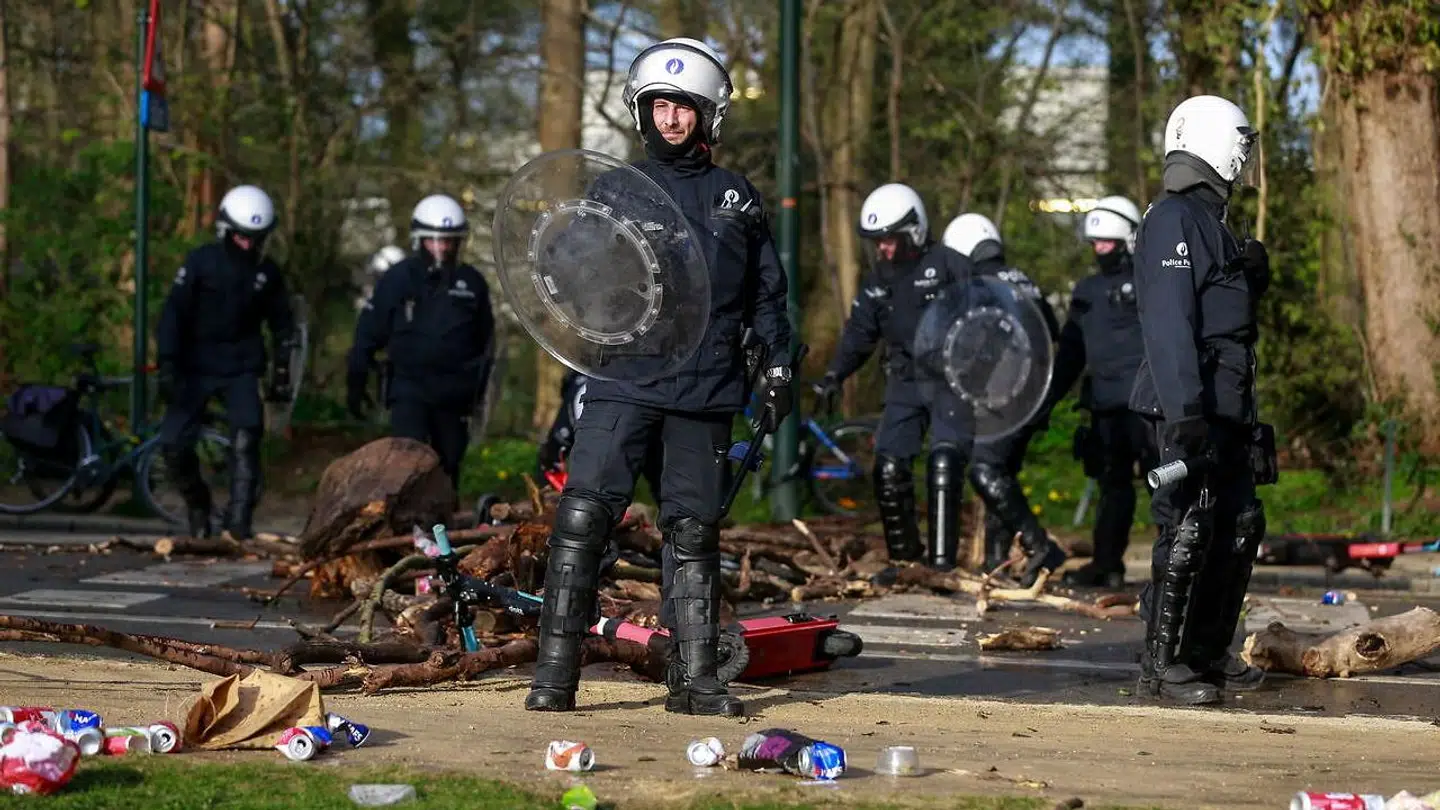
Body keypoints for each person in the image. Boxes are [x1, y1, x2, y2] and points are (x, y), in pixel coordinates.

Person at [524, 37, 793, 717]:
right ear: (642, 113)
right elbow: (581, 280)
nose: (672, 119)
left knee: (693, 531)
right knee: (583, 516)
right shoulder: (614, 188)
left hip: (705, 387)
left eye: (686, 107)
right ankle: (554, 678)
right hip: (625, 377)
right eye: (661, 106)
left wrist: (780, 359)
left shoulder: (737, 197)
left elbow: (767, 298)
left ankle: (697, 681)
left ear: (710, 115)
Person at [1130, 94, 1276, 705]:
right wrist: (1186, 413)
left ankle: (1207, 650)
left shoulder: (1214, 222)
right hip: (1187, 406)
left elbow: (1223, 319)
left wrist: (1250, 278)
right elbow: (1169, 325)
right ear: (1212, 140)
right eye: (1239, 140)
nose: (1245, 154)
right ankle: (1160, 667)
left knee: (1240, 524)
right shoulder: (1172, 220)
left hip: (1228, 404)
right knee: (1188, 525)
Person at [816, 184, 975, 571]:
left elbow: (984, 316)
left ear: (914, 231)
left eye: (892, 240)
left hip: (951, 381)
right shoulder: (877, 282)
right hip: (904, 379)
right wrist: (834, 374)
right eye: (878, 242)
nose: (885, 249)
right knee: (888, 468)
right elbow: (859, 334)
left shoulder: (950, 265)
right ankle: (906, 561)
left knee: (944, 462)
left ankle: (942, 565)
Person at [156, 185, 297, 541]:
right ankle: (198, 504)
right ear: (226, 229)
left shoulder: (268, 273)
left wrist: (282, 372)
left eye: (255, 237)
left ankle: (239, 523)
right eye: (241, 236)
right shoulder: (201, 262)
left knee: (246, 439)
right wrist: (168, 363)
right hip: (195, 363)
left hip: (242, 365)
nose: (248, 244)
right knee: (173, 444)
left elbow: (283, 325)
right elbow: (174, 313)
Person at [940, 213, 1066, 587]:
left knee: (985, 470)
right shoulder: (1020, 278)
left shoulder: (979, 285)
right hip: (1035, 390)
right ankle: (996, 561)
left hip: (1006, 392)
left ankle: (1039, 544)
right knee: (1001, 469)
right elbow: (1051, 330)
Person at [1044, 196, 1158, 589]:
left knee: (1165, 486)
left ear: (1127, 238)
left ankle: (1176, 569)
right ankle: (1107, 564)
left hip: (1149, 406)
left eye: (1106, 243)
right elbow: (1071, 353)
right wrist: (1046, 402)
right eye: (1094, 244)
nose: (1098, 250)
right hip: (1107, 408)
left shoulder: (1152, 279)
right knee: (1113, 489)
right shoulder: (1087, 290)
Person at [346, 195, 495, 494]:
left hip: (454, 395)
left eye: (449, 241)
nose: (442, 248)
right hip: (409, 388)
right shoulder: (399, 278)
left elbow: (486, 342)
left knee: (448, 463)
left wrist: (478, 394)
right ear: (420, 240)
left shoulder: (472, 282)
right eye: (434, 241)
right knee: (408, 460)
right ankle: (406, 532)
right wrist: (357, 378)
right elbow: (369, 330)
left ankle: (443, 531)